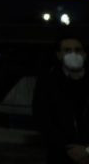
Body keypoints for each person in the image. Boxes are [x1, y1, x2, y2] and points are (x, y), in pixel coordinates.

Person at [32, 32, 88, 163]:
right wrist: (67, 148)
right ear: (58, 55)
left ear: (85, 54)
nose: (73, 54)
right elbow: (42, 118)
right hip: (60, 155)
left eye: (78, 50)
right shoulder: (47, 82)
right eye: (67, 50)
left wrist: (87, 150)